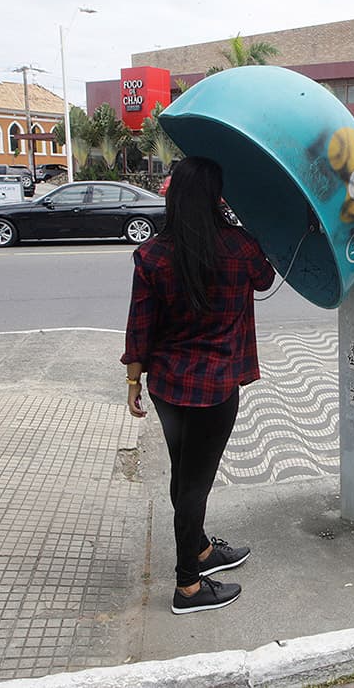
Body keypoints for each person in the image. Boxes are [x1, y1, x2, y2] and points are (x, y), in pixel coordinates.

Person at [121, 155, 275, 615]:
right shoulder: (240, 247)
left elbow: (139, 325)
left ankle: (203, 550)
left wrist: (133, 381)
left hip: (168, 387)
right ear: (215, 197)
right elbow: (266, 279)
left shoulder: (152, 254)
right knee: (194, 484)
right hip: (217, 387)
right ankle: (187, 586)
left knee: (184, 474)